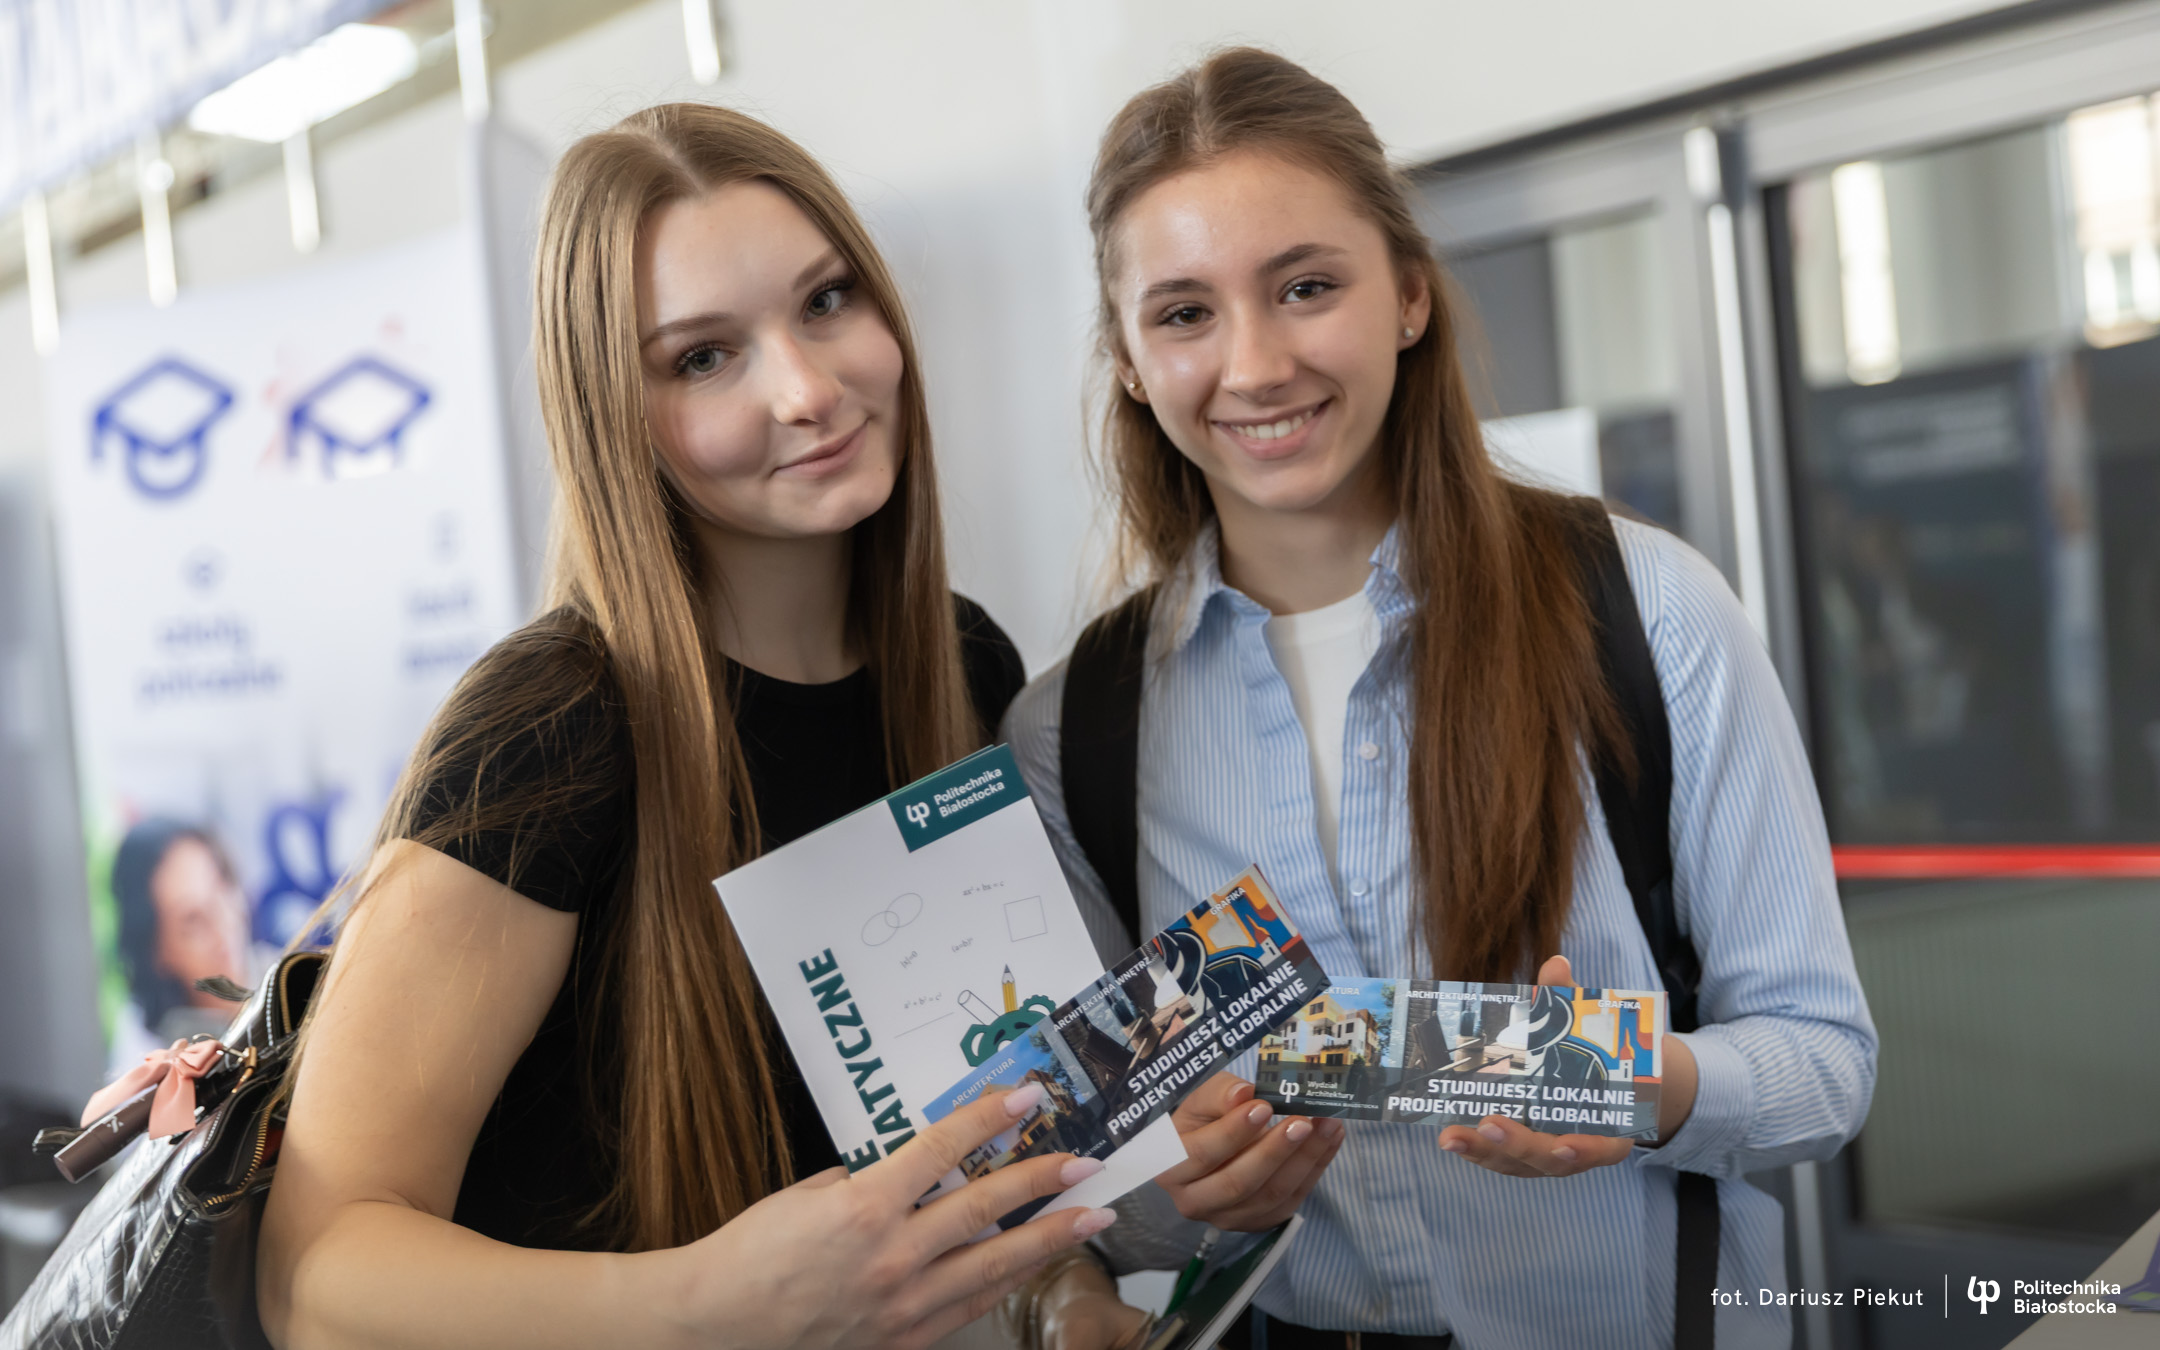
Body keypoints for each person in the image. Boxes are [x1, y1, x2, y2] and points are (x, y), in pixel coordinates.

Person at [1002, 49, 1877, 1348]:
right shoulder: (1072, 734)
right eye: (1183, 313)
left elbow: (1825, 1062)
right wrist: (1175, 1197)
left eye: (1307, 287)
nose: (1255, 364)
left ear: (1409, 294)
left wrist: (1640, 1085)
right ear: (1127, 358)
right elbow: (1099, 1188)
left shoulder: (1645, 610)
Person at [259, 103, 1149, 1350]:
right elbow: (312, 1277)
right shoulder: (549, 730)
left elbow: (961, 1130)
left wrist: (1063, 1294)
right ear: (614, 415)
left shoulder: (959, 663)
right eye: (702, 358)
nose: (809, 389)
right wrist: (703, 1305)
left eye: (827, 300)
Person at [110, 819, 254, 1055]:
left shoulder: (295, 974)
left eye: (222, 887)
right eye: (192, 919)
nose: (223, 925)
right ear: (156, 951)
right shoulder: (154, 1059)